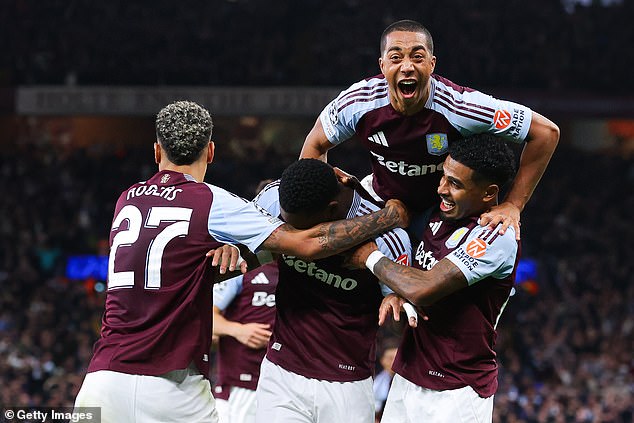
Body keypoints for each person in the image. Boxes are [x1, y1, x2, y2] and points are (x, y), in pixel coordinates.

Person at [73, 100, 409, 423]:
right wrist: (388, 218)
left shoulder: (126, 199)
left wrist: (238, 252)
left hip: (102, 379)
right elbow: (304, 244)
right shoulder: (211, 202)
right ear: (211, 151)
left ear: (157, 151)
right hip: (172, 386)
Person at [300, 19, 559, 239]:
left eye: (417, 56)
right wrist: (317, 206)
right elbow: (315, 143)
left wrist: (513, 205)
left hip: (443, 212)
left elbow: (545, 133)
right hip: (380, 203)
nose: (407, 66)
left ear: (432, 65)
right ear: (382, 66)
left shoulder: (461, 107)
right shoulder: (358, 102)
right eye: (396, 57)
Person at [347, 134, 520, 422]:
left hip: (458, 391)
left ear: (489, 193)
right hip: (407, 375)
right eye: (443, 177)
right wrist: (394, 290)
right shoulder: (434, 215)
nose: (441, 189)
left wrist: (370, 257)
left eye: (455, 184)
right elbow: (410, 270)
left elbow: (425, 288)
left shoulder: (496, 235)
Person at [252, 158, 412, 423]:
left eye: (300, 228)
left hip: (347, 385)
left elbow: (401, 318)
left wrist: (396, 299)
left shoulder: (388, 240)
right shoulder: (273, 199)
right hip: (281, 373)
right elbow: (242, 241)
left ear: (331, 210)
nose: (296, 240)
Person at [212, 260, 278, 423]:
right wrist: (239, 330)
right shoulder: (243, 266)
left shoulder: (304, 272)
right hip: (241, 383)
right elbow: (205, 318)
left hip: (284, 383)